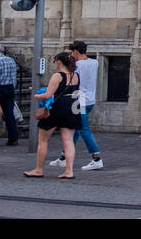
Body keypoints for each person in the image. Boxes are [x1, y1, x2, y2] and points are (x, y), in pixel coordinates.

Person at [25, 52, 80, 179]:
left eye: (55, 61)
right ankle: (69, 171)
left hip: (57, 107)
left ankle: (39, 169)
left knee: (43, 140)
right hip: (73, 105)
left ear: (59, 62)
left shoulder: (57, 76)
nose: (54, 63)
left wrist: (36, 95)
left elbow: (48, 95)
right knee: (68, 140)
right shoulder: (75, 75)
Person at [51, 40, 102, 172]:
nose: (71, 55)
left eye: (72, 52)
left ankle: (96, 158)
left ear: (76, 52)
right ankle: (63, 158)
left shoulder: (76, 66)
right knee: (75, 129)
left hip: (78, 100)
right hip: (90, 99)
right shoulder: (95, 62)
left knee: (83, 129)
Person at [0, 42, 20, 146]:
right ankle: (13, 138)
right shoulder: (11, 60)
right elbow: (14, 77)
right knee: (9, 114)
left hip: (0, 89)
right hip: (9, 88)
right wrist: (12, 89)